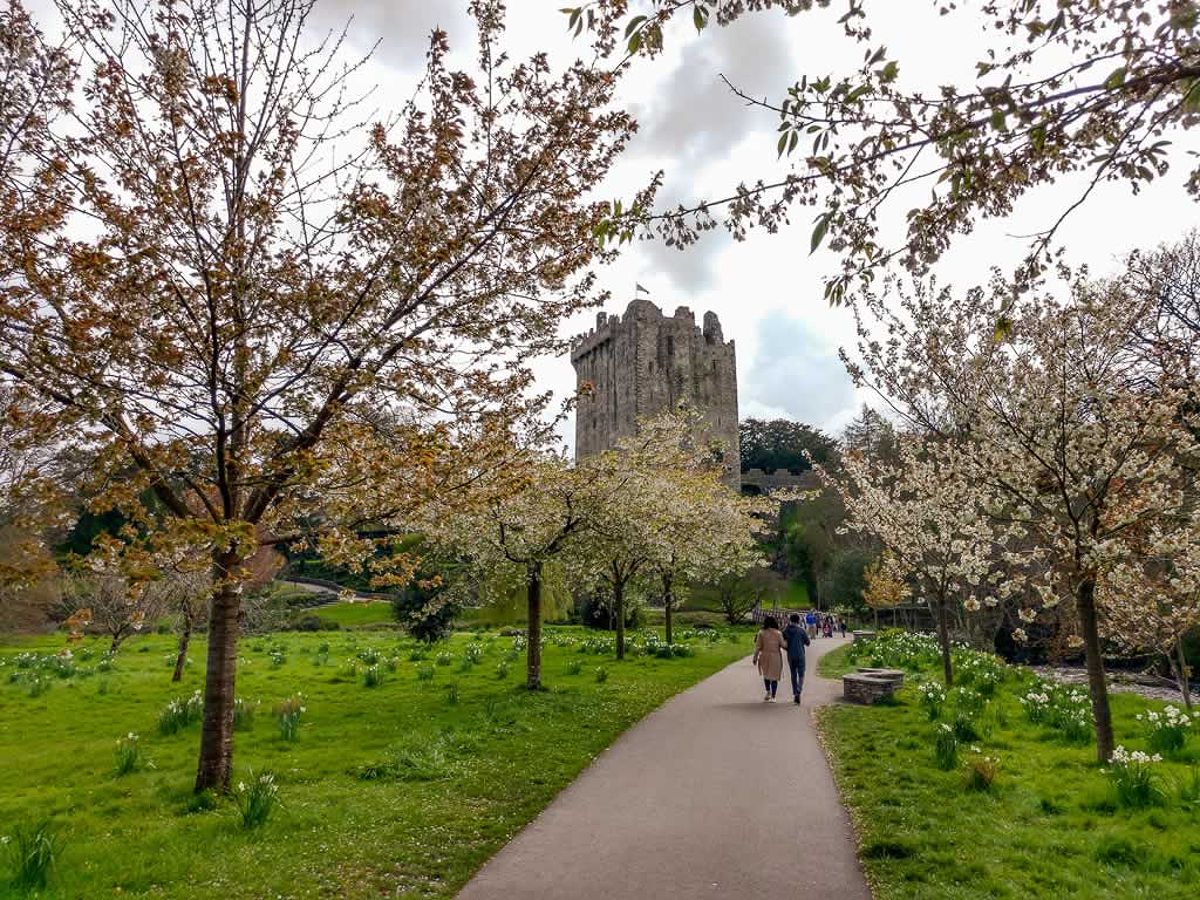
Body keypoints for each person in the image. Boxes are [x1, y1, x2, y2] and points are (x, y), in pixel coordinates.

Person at [752, 615, 786, 702]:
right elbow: (783, 645)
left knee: (766, 674)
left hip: (764, 655)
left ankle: (768, 692)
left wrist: (755, 657)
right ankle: (774, 696)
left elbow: (758, 647)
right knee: (774, 676)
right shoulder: (778, 633)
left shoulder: (761, 633)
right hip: (775, 655)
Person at [781, 612, 811, 704]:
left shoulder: (785, 631)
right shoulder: (801, 630)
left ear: (790, 620)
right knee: (801, 674)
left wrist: (787, 648)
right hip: (800, 654)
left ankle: (795, 693)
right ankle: (799, 691)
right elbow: (808, 643)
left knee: (793, 674)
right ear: (798, 621)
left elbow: (782, 643)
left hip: (791, 655)